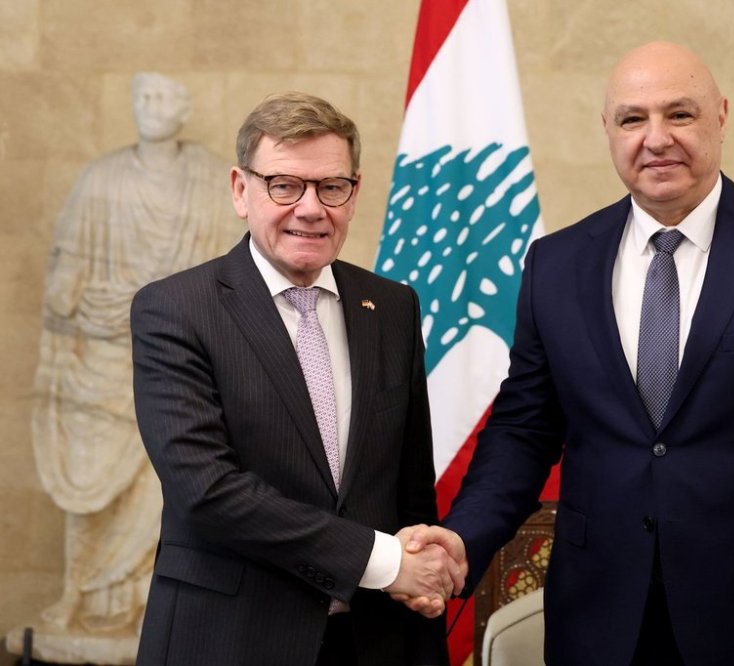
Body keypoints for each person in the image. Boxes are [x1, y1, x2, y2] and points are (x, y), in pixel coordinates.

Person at [406, 42, 734, 665]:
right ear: (607, 130)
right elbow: (524, 430)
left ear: (721, 116)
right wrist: (462, 540)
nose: (656, 138)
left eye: (680, 114)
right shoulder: (557, 263)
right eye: (633, 118)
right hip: (599, 622)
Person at [130, 92, 462, 666]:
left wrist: (425, 574)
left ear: (354, 192)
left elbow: (408, 485)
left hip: (375, 640)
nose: (311, 209)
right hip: (229, 639)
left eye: (332, 187)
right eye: (285, 185)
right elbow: (208, 490)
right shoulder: (175, 309)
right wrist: (387, 562)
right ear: (241, 189)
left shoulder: (392, 307)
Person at [30, 72, 236, 638]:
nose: (151, 106)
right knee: (92, 480)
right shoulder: (101, 179)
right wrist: (67, 290)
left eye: (164, 96)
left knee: (171, 476)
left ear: (185, 107)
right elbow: (65, 271)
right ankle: (78, 593)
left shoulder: (209, 179)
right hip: (102, 354)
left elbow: (232, 274)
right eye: (142, 96)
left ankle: (155, 599)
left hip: (180, 355)